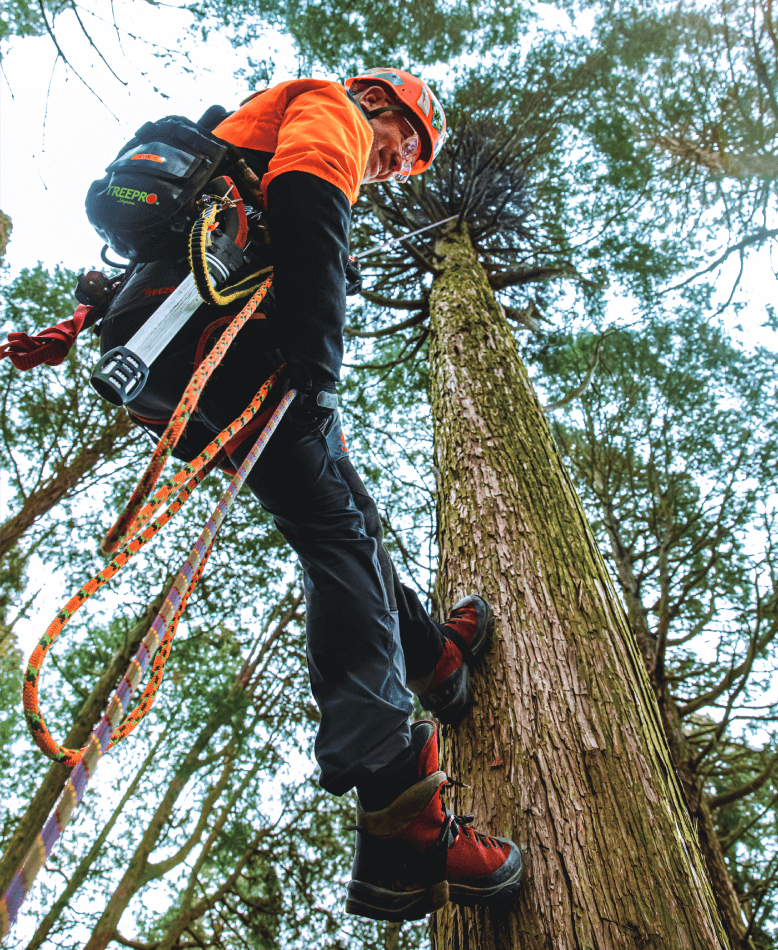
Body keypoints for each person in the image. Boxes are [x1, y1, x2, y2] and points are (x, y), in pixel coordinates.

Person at [96, 67, 522, 921]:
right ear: (381, 104)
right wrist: (318, 362)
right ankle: (398, 808)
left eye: (412, 162)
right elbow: (310, 204)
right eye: (410, 142)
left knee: (338, 515)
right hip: (234, 341)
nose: (401, 164)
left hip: (173, 348)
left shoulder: (238, 140)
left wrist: (72, 328)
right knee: (336, 535)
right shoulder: (330, 107)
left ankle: (432, 653)